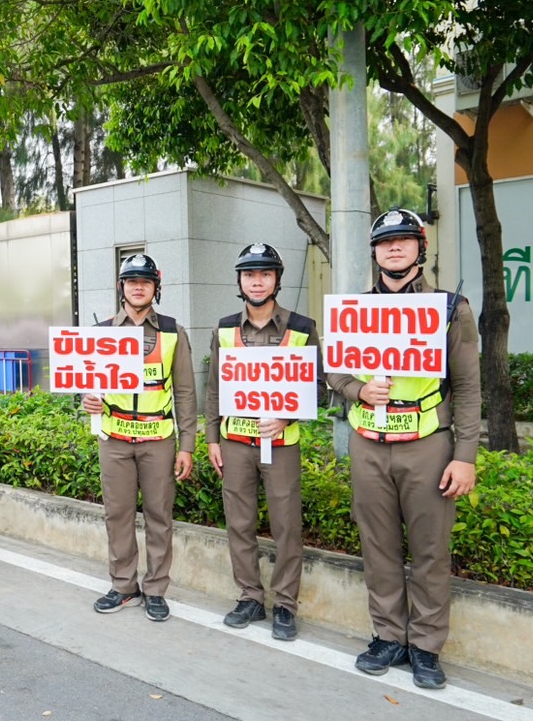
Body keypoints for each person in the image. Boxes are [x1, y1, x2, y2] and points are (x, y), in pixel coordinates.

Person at [326, 208, 481, 689]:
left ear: (420, 247)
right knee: (378, 546)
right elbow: (334, 371)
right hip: (368, 443)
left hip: (427, 445)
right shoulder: (353, 310)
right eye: (385, 242)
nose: (394, 248)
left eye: (404, 240)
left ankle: (427, 646)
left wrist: (465, 455)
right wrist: (356, 390)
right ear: (374, 252)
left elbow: (470, 387)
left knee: (432, 550)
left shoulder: (450, 307)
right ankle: (389, 635)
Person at [203, 244, 320, 640]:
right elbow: (213, 386)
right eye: (250, 274)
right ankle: (250, 596)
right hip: (235, 441)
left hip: (282, 442)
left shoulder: (302, 327)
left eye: (265, 274)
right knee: (239, 521)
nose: (257, 281)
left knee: (286, 524)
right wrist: (212, 437)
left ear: (277, 280)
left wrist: (287, 414)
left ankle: (285, 604)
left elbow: (317, 385)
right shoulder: (223, 327)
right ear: (239, 280)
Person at [82, 254, 197, 621]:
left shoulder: (173, 332)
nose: (137, 286)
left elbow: (185, 392)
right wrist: (88, 398)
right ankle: (122, 586)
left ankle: (156, 588)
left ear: (155, 288)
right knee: (117, 514)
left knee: (159, 515)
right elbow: (88, 383)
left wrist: (188, 445)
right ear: (121, 287)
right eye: (131, 281)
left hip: (157, 438)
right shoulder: (101, 332)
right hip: (114, 438)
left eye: (144, 281)